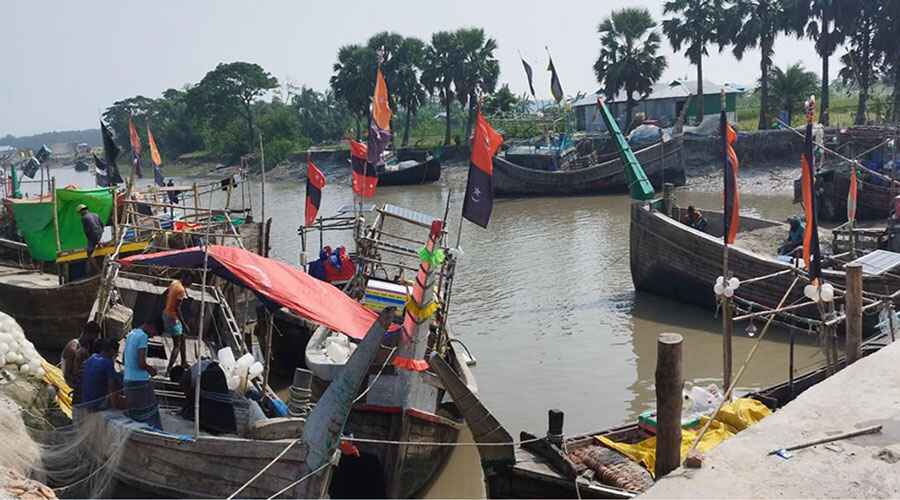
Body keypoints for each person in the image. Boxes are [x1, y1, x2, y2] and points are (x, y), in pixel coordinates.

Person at [123, 317, 163, 430]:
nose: (153, 336)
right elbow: (141, 363)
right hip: (139, 381)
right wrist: (151, 370)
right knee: (150, 411)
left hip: (127, 379)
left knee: (136, 411)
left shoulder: (131, 333)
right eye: (154, 332)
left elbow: (124, 357)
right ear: (151, 326)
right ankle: (155, 433)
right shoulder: (143, 337)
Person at [61, 321, 101, 403]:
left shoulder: (86, 345)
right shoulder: (73, 348)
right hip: (71, 380)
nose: (95, 340)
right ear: (89, 334)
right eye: (94, 337)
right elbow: (68, 374)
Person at [80, 338, 123, 411]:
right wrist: (115, 406)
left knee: (118, 376)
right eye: (116, 352)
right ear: (112, 351)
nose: (116, 355)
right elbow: (111, 387)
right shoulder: (107, 363)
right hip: (97, 404)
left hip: (85, 401)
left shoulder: (92, 358)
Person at [163, 272, 192, 375]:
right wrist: (184, 324)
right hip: (172, 318)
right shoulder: (181, 290)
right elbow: (177, 308)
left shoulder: (174, 283)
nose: (191, 283)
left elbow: (165, 294)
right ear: (184, 278)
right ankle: (169, 369)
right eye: (190, 280)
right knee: (177, 345)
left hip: (166, 314)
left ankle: (184, 362)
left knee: (182, 337)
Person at [78, 204, 103, 272]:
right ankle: (99, 243)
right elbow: (101, 225)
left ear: (81, 211)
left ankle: (98, 270)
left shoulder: (84, 218)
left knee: (89, 254)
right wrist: (99, 239)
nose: (80, 214)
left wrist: (93, 241)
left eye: (80, 212)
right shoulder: (95, 214)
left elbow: (87, 231)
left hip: (93, 236)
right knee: (95, 245)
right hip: (100, 234)